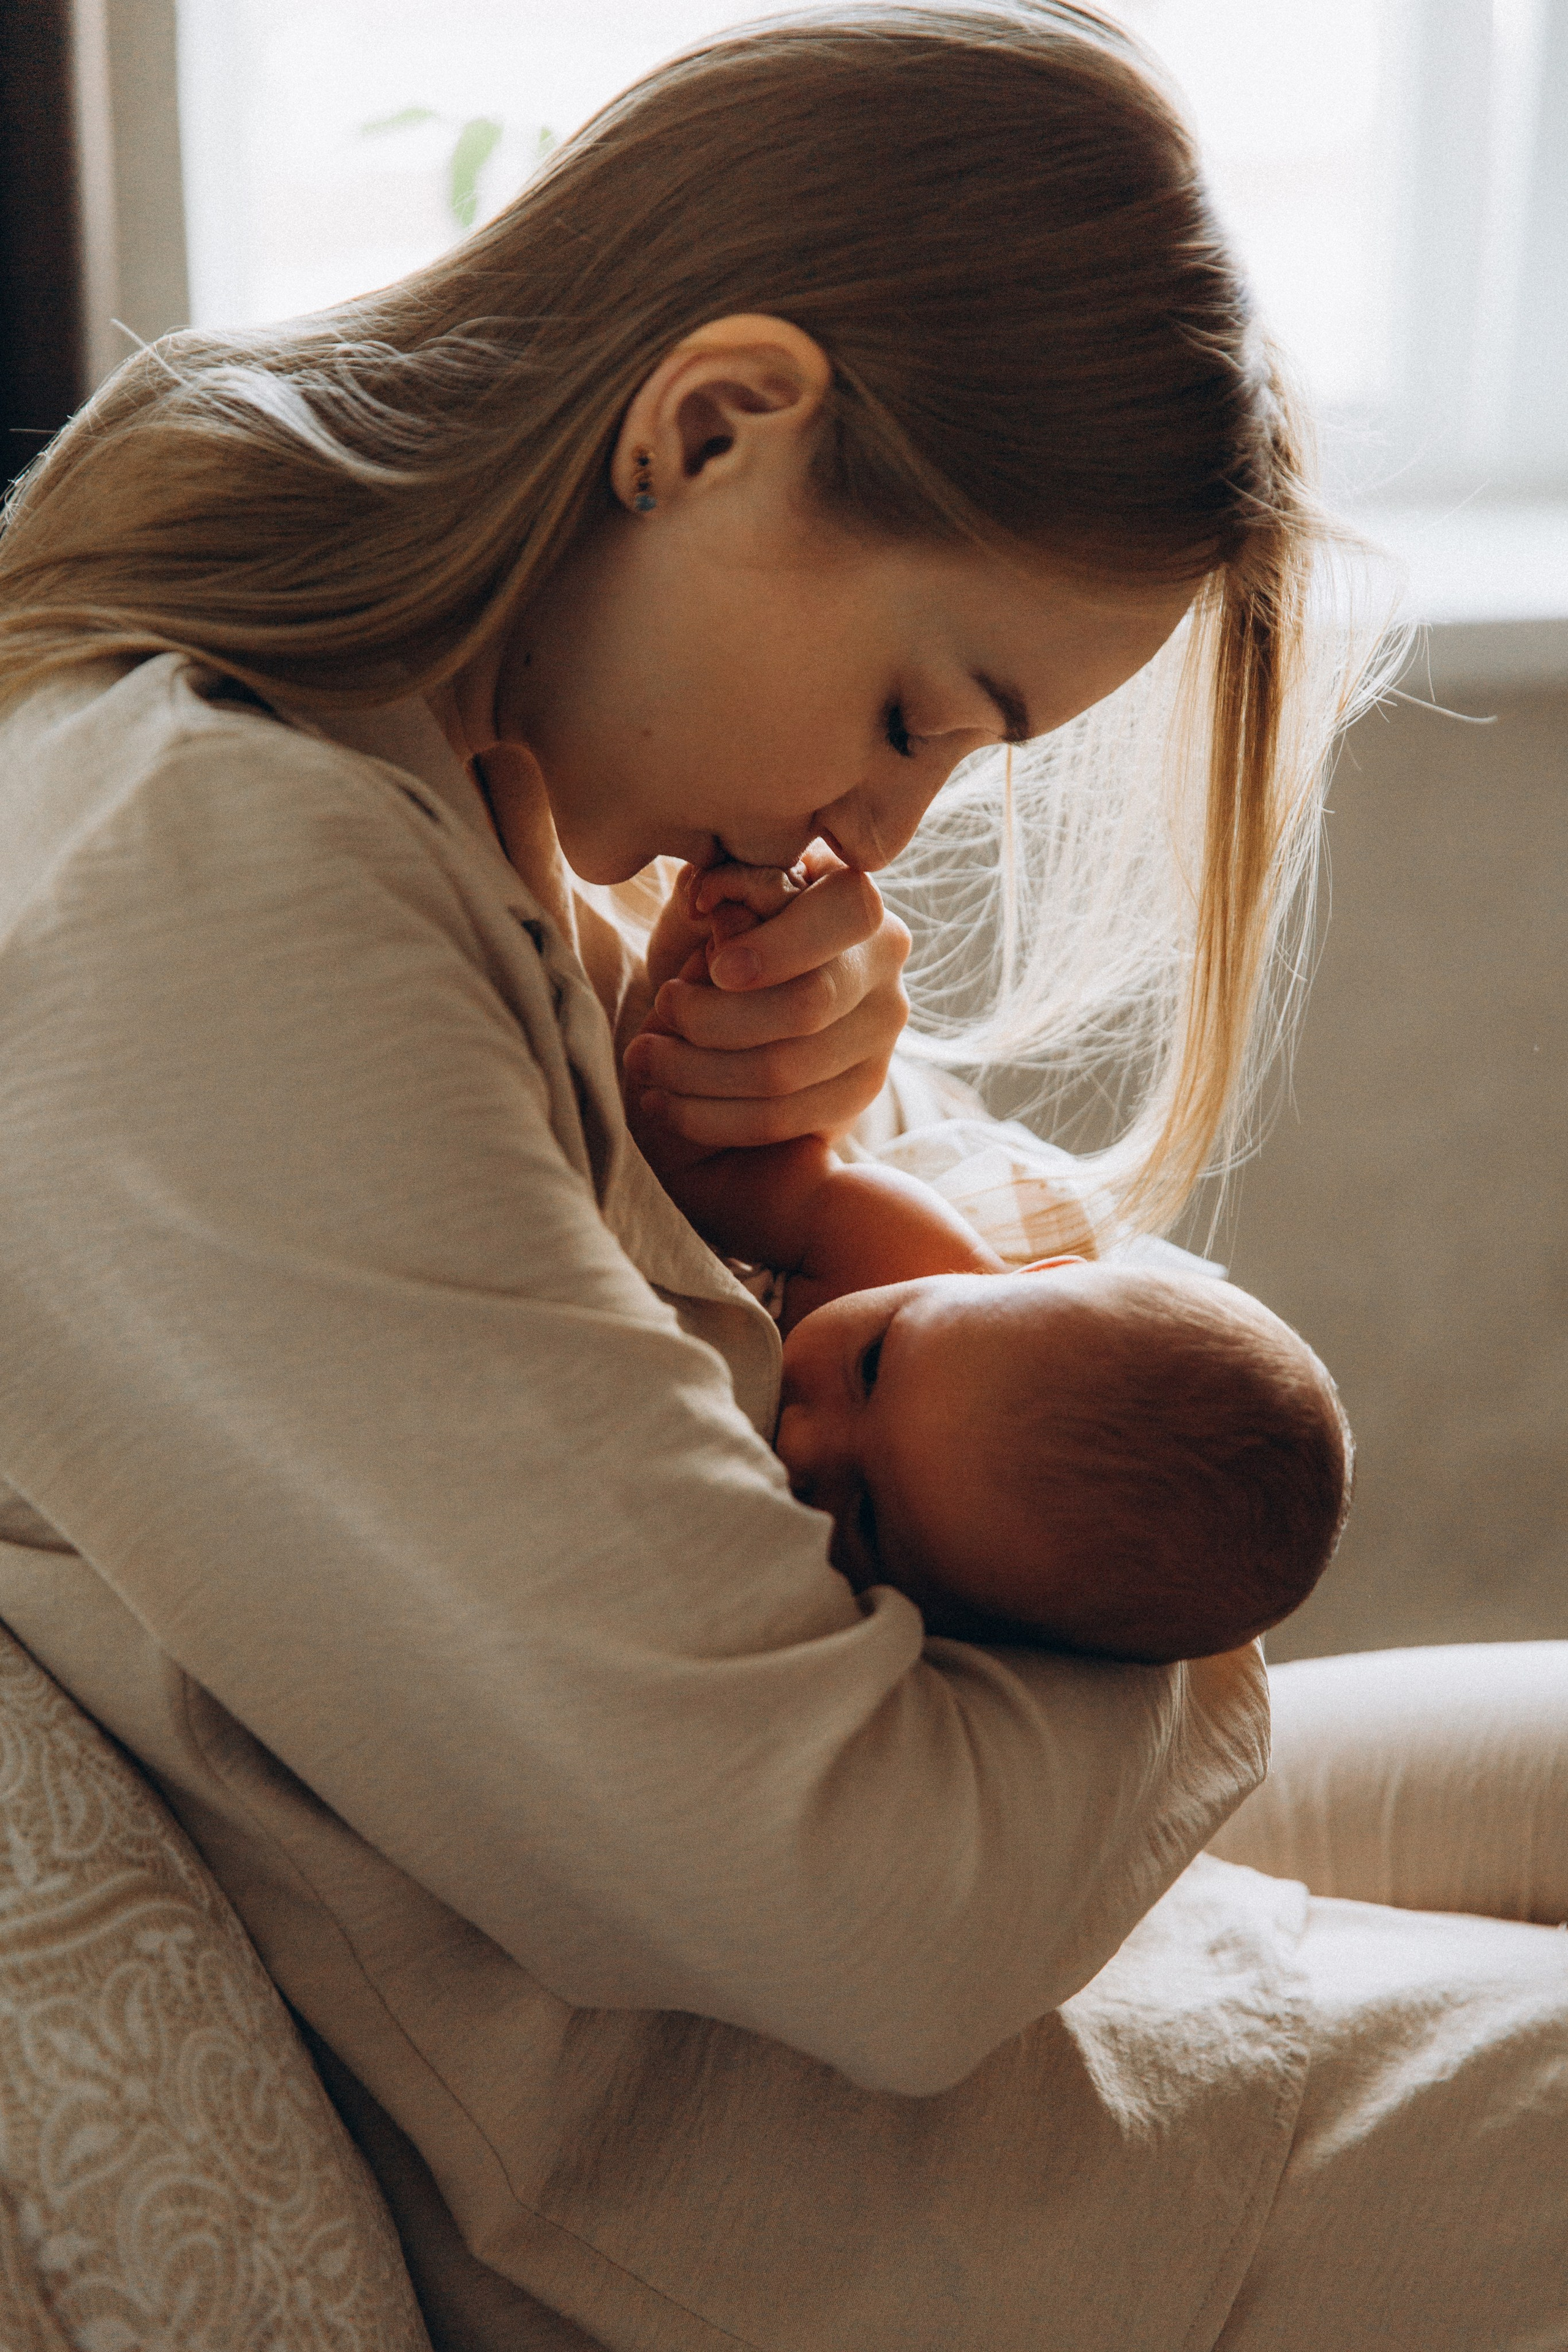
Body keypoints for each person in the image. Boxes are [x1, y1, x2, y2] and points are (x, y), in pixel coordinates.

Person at [0, 9, 1561, 2351]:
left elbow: (1052, 1347)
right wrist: (1186, 1592)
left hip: (1032, 1999)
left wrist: (782, 1177)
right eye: (921, 712)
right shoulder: (220, 892)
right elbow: (877, 1915)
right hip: (793, 2190)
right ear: (711, 423)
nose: (883, 831)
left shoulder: (470, 780)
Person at [632, 875, 1351, 1665]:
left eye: (870, 1517)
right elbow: (690, 1154)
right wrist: (716, 972)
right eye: (870, 1367)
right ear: (1028, 1277)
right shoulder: (904, 1254)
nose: (803, 1442)